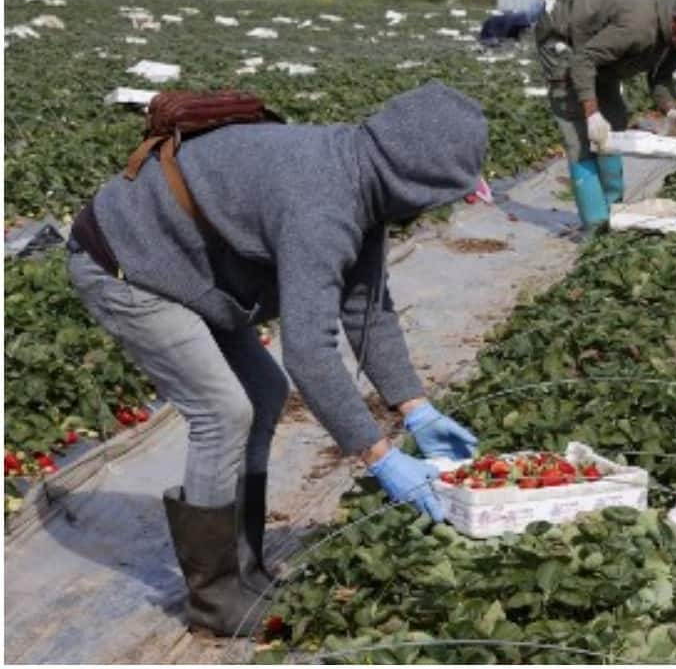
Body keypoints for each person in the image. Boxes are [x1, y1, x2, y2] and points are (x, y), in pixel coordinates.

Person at [65, 81, 487, 636]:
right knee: (222, 411)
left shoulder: (361, 177)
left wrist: (417, 409)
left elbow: (366, 311)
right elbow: (310, 353)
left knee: (262, 394)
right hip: (129, 262)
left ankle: (246, 562)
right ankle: (215, 598)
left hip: (195, 271)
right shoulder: (324, 201)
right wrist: (381, 458)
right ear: (416, 179)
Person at [533, 0, 676, 230]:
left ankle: (613, 213)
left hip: (596, 53)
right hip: (563, 37)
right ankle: (596, 226)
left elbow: (660, 77)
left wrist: (671, 109)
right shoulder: (638, 27)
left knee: (614, 125)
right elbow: (583, 61)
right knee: (580, 136)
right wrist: (591, 114)